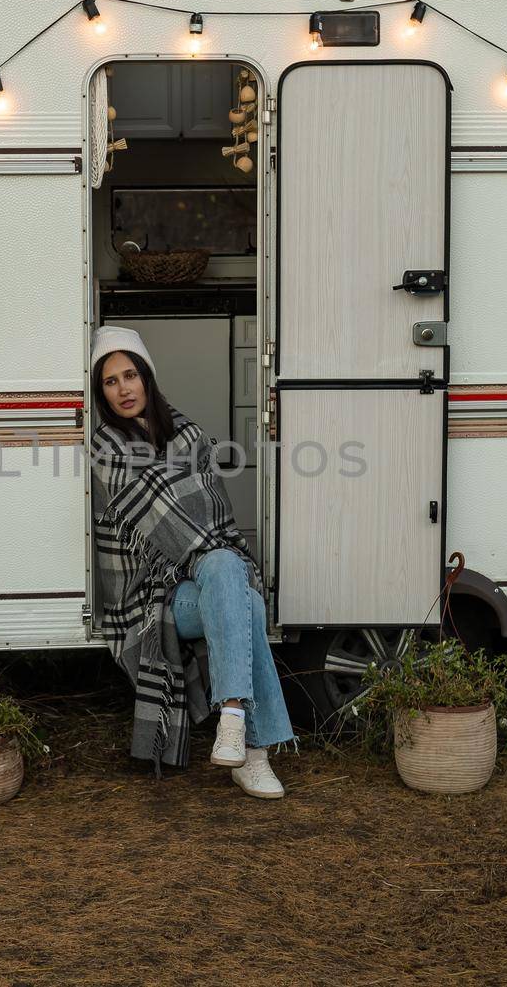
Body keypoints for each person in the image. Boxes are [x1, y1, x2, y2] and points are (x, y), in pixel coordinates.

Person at [87, 325, 295, 799]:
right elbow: (167, 520)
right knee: (240, 592)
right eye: (110, 381)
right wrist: (205, 550)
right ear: (101, 392)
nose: (123, 389)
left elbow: (212, 510)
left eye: (130, 375)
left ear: (148, 378)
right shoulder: (107, 447)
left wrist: (207, 552)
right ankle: (251, 743)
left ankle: (236, 730)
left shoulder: (190, 436)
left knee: (229, 578)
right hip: (151, 597)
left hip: (202, 577)